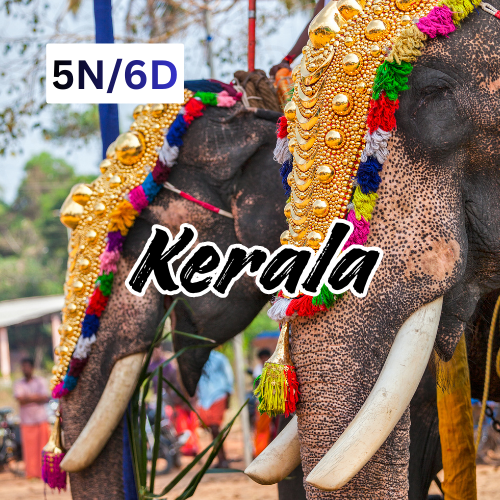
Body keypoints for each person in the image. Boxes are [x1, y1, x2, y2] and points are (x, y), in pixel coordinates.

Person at [196, 349, 234, 468]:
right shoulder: (197, 359)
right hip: (204, 398)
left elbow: (229, 376)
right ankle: (221, 457)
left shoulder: (219, 358)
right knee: (209, 427)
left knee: (214, 427)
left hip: (218, 394)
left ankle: (222, 459)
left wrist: (228, 395)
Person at [13, 358, 50, 479]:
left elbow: (44, 397)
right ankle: (32, 473)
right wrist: (35, 397)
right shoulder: (18, 383)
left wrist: (27, 398)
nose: (25, 369)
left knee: (43, 447)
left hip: (41, 419)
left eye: (27, 366)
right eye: (23, 367)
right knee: (29, 450)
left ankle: (44, 472)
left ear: (32, 368)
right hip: (26, 421)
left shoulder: (40, 381)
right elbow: (20, 399)